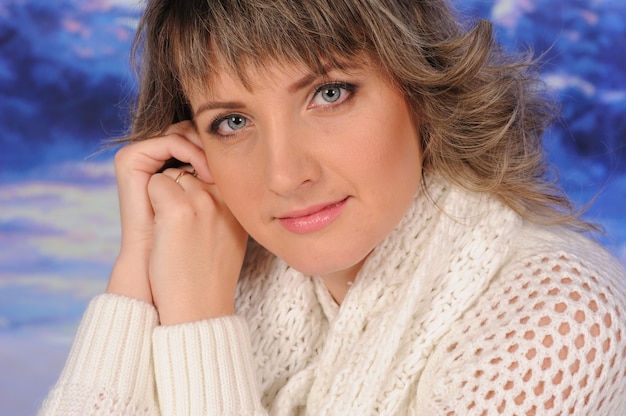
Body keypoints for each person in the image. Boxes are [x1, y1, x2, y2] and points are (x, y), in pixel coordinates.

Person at [39, 0, 626, 414]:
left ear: (420, 89)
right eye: (233, 122)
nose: (285, 174)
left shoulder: (558, 321)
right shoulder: (228, 273)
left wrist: (197, 323)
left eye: (328, 93)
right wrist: (136, 278)